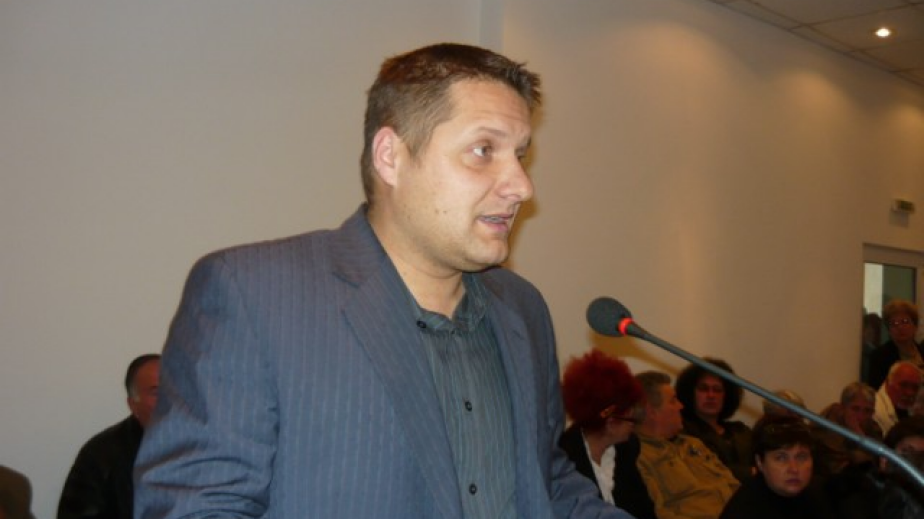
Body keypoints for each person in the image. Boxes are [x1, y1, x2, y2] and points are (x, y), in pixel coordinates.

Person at [134, 43, 635, 519]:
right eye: (484, 150)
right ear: (390, 156)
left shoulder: (522, 309)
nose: (522, 186)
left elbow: (545, 483)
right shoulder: (254, 295)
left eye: (519, 155)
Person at [58, 354, 160, 519]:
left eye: (174, 388)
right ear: (133, 404)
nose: (169, 399)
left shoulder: (202, 445)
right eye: (156, 392)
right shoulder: (101, 454)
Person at [559, 349, 656, 519]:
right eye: (630, 419)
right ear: (610, 422)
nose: (633, 426)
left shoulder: (627, 449)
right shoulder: (564, 457)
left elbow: (645, 511)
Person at [633, 370, 739, 519]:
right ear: (652, 412)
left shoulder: (692, 443)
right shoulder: (640, 456)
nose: (681, 406)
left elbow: (734, 486)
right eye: (673, 401)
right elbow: (659, 513)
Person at [719, 414, 835, 519]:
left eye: (801, 457)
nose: (794, 468)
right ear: (760, 462)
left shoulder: (818, 497)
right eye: (781, 458)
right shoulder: (744, 510)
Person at [675, 358, 753, 482]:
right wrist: (751, 472)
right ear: (690, 393)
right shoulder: (681, 430)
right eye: (703, 388)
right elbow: (703, 470)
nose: (711, 395)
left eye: (717, 390)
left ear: (726, 396)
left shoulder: (741, 431)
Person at [814, 381, 882, 476]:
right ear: (843, 408)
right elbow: (836, 466)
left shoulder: (874, 428)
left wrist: (859, 434)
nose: (861, 416)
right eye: (855, 409)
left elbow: (876, 464)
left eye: (867, 411)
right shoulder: (828, 424)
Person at [869, 300, 922, 389]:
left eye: (905, 321)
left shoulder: (922, 351)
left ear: (915, 326)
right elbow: (876, 391)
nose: (900, 327)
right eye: (894, 323)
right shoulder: (880, 357)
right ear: (889, 330)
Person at [874, 360, 923, 434]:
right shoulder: (874, 410)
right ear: (888, 383)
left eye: (915, 388)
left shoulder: (914, 411)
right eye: (903, 385)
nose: (910, 392)